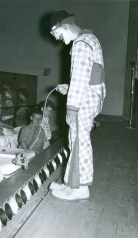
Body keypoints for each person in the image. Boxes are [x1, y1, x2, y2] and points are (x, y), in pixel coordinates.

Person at [49, 10, 105, 201]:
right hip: (90, 97)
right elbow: (90, 75)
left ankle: (79, 188)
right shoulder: (89, 38)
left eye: (57, 34)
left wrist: (71, 107)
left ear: (64, 26)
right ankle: (70, 183)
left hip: (82, 101)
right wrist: (70, 86)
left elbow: (81, 79)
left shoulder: (80, 44)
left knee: (79, 143)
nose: (57, 38)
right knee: (76, 141)